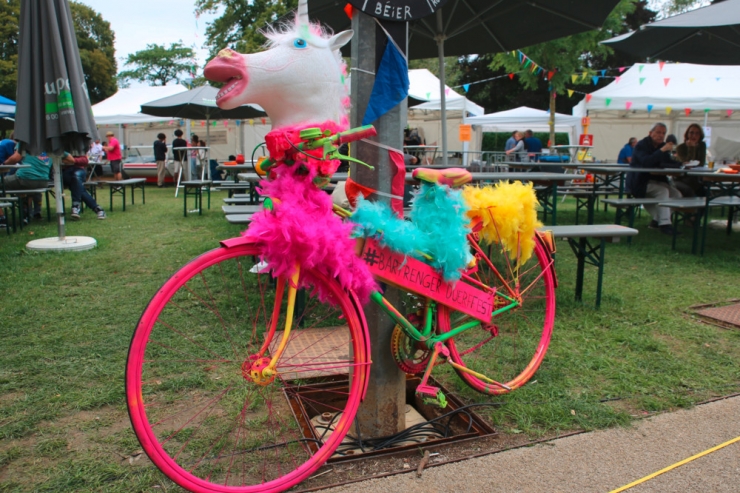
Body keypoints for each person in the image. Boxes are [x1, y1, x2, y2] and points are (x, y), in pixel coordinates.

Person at [628, 122, 683, 235]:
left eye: (663, 133)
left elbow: (667, 162)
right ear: (650, 133)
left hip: (657, 180)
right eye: (658, 132)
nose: (661, 135)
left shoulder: (662, 146)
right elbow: (646, 162)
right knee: (662, 191)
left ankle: (657, 220)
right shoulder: (641, 145)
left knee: (677, 195)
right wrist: (662, 150)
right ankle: (665, 224)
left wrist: (682, 164)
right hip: (639, 182)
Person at [61, 152, 106, 220]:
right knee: (78, 187)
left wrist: (73, 160)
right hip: (66, 172)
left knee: (76, 178)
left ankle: (76, 206)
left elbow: (85, 160)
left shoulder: (78, 148)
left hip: (79, 171)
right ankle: (97, 209)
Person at [673, 124, 706, 198]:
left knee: (705, 191)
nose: (694, 135)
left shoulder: (702, 145)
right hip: (682, 178)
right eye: (691, 133)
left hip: (696, 178)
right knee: (689, 191)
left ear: (700, 135)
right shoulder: (681, 148)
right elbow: (687, 164)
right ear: (687, 134)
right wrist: (691, 148)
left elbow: (701, 163)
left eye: (697, 133)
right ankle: (688, 209)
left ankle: (702, 209)